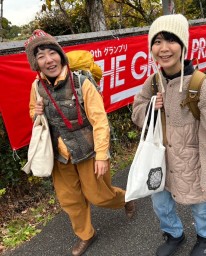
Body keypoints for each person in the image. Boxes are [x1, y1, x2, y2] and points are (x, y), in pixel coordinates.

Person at [132, 14, 206, 256]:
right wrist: (151, 106)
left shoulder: (203, 85)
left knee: (202, 205)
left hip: (196, 163)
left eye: (171, 40)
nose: (163, 48)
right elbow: (137, 110)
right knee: (160, 204)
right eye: (157, 41)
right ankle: (173, 234)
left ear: (183, 44)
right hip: (160, 160)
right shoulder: (153, 82)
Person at [24, 29, 135, 256]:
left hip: (88, 151)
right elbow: (35, 119)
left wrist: (102, 155)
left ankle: (125, 198)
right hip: (59, 155)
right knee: (70, 200)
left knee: (99, 196)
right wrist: (36, 113)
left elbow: (100, 120)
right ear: (35, 62)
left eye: (51, 52)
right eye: (41, 56)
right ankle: (86, 234)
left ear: (60, 55)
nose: (48, 60)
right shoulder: (36, 87)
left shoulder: (81, 82)